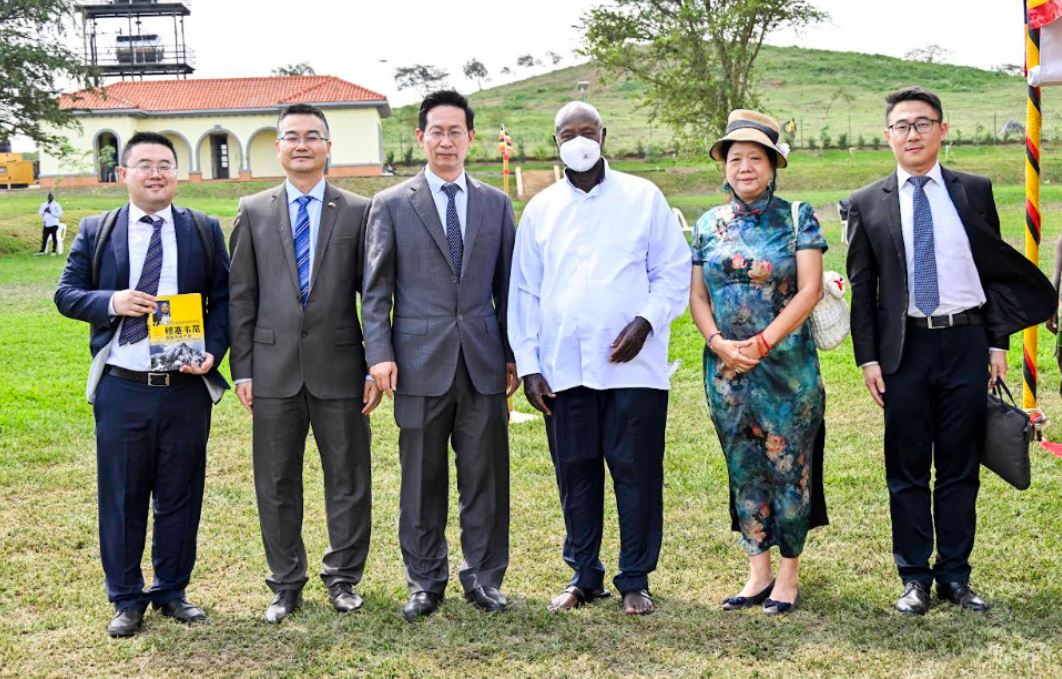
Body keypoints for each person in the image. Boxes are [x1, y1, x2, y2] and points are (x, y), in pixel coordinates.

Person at [847, 86, 1055, 615]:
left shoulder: (974, 190)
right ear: (887, 135)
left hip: (966, 343)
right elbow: (863, 288)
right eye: (901, 125)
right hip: (903, 350)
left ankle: (956, 576)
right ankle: (914, 576)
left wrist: (996, 341)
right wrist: (868, 359)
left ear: (943, 130)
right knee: (908, 467)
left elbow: (997, 273)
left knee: (961, 466)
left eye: (922, 123)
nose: (911, 133)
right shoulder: (867, 203)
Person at [508, 101, 690, 615]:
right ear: (556, 142)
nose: (579, 140)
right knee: (576, 470)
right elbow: (524, 291)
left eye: (587, 131)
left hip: (635, 367)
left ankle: (635, 577)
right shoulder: (541, 210)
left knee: (636, 470)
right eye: (568, 133)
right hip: (563, 369)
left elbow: (673, 272)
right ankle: (584, 574)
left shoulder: (643, 197)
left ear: (603, 135)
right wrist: (529, 364)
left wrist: (646, 321)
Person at [54, 131, 229, 637]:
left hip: (184, 386)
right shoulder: (97, 229)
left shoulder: (202, 228)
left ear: (178, 174)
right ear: (123, 174)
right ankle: (126, 597)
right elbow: (67, 294)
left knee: (180, 492)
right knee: (122, 494)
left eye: (166, 165)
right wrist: (112, 301)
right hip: (123, 385)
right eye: (145, 165)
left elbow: (224, 299)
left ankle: (171, 589)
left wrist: (213, 351)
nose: (157, 173)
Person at [363, 90, 519, 622]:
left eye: (456, 131)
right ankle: (425, 581)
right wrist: (378, 354)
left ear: (470, 138)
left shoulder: (497, 205)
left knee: (485, 478)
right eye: (437, 131)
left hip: (482, 363)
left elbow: (508, 290)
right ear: (421, 138)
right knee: (421, 479)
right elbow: (375, 290)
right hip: (416, 363)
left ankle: (484, 576)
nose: (447, 140)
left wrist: (513, 357)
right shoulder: (390, 204)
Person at [228, 103, 381, 624]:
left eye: (312, 136)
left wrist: (372, 364)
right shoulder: (253, 210)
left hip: (341, 368)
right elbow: (241, 297)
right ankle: (285, 582)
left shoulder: (359, 210)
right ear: (278, 147)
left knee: (348, 478)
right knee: (275, 481)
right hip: (271, 371)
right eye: (291, 136)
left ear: (328, 146)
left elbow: (375, 296)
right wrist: (243, 368)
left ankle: (343, 578)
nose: (301, 144)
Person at [689, 109, 829, 616]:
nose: (744, 166)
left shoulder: (798, 217)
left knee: (789, 466)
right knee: (744, 468)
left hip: (786, 372)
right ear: (724, 167)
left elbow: (810, 289)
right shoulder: (707, 224)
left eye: (754, 158)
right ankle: (757, 573)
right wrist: (719, 342)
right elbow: (699, 297)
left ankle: (789, 576)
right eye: (735, 158)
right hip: (726, 372)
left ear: (773, 166)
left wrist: (763, 343)